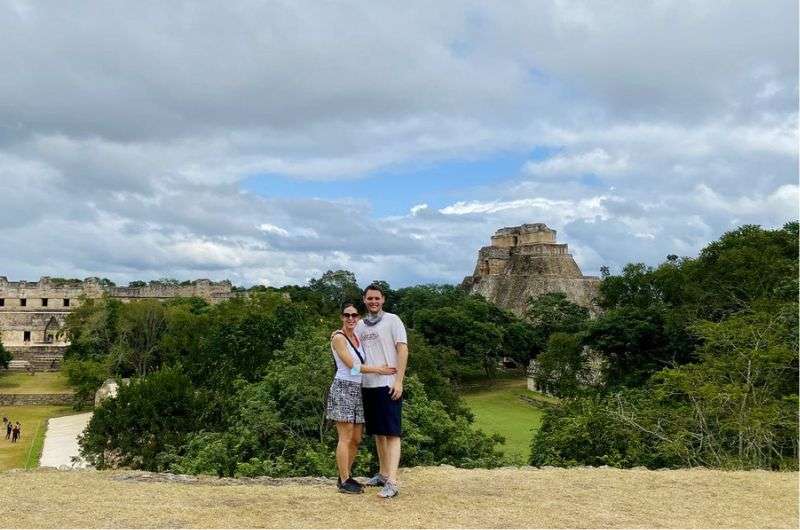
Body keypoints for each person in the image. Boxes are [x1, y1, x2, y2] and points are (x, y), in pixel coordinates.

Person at [326, 302, 396, 494]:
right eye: (346, 315)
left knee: (356, 438)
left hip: (358, 388)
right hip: (343, 388)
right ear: (341, 317)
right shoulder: (339, 338)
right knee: (345, 437)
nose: (350, 318)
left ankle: (346, 475)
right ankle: (344, 479)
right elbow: (352, 366)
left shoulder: (356, 336)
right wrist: (378, 370)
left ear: (358, 317)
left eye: (354, 315)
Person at [355, 284, 408, 498]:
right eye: (370, 298)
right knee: (378, 432)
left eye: (377, 298)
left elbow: (402, 349)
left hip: (388, 384)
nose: (373, 302)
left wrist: (399, 381)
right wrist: (336, 334)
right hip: (368, 384)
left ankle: (393, 482)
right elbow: (349, 344)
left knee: (392, 432)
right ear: (364, 300)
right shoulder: (360, 325)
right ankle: (383, 473)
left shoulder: (393, 320)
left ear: (383, 299)